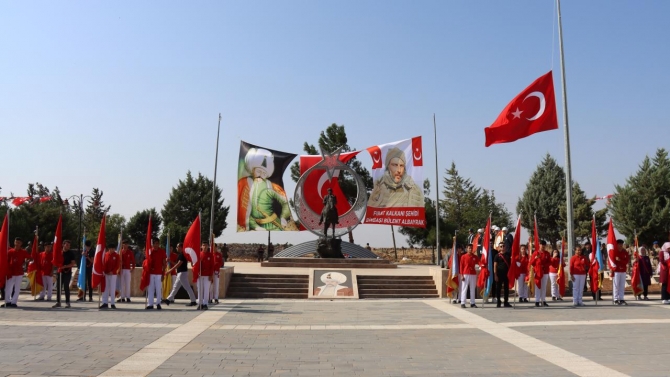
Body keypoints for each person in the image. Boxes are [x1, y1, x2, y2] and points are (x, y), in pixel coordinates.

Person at [237, 147, 295, 231]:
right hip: (254, 225)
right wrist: (255, 226)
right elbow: (245, 210)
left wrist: (283, 217)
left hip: (274, 224)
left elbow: (285, 202)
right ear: (253, 170)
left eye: (264, 173)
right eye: (258, 171)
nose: (260, 175)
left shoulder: (272, 187)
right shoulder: (244, 183)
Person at [3, 237, 31, 308]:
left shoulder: (23, 252)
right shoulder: (10, 251)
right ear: (14, 242)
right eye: (16, 242)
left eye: (18, 243)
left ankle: (14, 302)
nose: (17, 244)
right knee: (8, 288)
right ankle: (7, 301)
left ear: (21, 244)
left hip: (19, 272)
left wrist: (26, 262)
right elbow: (6, 261)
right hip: (11, 272)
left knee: (17, 288)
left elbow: (30, 257)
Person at [52, 240, 76, 308]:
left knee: (66, 287)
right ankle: (58, 302)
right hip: (60, 272)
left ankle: (67, 302)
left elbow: (73, 263)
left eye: (69, 245)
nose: (68, 246)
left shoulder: (71, 253)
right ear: (63, 245)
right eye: (67, 245)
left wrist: (65, 266)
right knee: (59, 287)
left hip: (67, 272)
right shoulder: (59, 253)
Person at [146, 237, 167, 310]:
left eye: (157, 244)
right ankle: (150, 304)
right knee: (151, 289)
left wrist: (163, 273)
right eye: (155, 244)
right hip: (151, 273)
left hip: (158, 273)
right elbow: (147, 262)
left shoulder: (162, 251)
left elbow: (164, 263)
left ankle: (158, 303)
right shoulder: (150, 251)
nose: (156, 245)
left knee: (158, 289)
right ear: (152, 244)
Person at [100, 243, 120, 309]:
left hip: (113, 274)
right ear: (109, 249)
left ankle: (112, 303)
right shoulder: (105, 254)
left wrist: (112, 271)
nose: (112, 250)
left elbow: (117, 265)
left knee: (112, 288)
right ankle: (105, 302)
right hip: (106, 274)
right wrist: (105, 271)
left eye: (113, 249)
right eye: (111, 248)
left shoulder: (116, 255)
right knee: (105, 288)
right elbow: (103, 263)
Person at [459, 243, 479, 308]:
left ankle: (472, 303)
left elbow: (480, 262)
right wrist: (461, 275)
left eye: (471, 248)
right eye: (469, 248)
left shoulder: (475, 257)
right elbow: (461, 266)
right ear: (467, 249)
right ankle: (463, 302)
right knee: (464, 288)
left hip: (473, 273)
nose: (470, 249)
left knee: (472, 288)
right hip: (465, 273)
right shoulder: (463, 257)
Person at [532, 240, 551, 307]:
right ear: (539, 245)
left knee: (543, 287)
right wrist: (535, 258)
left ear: (545, 246)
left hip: (545, 272)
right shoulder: (535, 253)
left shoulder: (547, 254)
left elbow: (549, 262)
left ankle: (543, 300)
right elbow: (532, 263)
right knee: (537, 286)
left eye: (543, 245)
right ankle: (537, 301)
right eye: (541, 245)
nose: (542, 246)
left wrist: (544, 265)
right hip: (537, 272)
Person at [611, 239, 630, 305]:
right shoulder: (614, 252)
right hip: (616, 270)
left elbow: (626, 261)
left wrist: (620, 260)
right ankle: (615, 299)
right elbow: (612, 261)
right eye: (619, 244)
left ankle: (621, 298)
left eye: (621, 244)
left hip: (623, 270)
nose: (620, 246)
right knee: (616, 285)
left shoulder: (625, 252)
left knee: (622, 285)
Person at [493, 242, 512, 308]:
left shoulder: (508, 255)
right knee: (498, 288)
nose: (502, 248)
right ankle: (498, 301)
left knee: (506, 289)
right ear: (499, 247)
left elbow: (510, 264)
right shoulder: (497, 256)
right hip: (499, 274)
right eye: (501, 246)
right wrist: (495, 275)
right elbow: (495, 265)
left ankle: (506, 302)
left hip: (506, 274)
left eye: (503, 246)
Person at [197, 242, 214, 310]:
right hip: (200, 275)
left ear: (208, 246)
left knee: (206, 290)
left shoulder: (210, 255)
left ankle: (205, 304)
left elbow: (212, 266)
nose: (205, 247)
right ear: (201, 246)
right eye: (203, 245)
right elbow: (195, 264)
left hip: (207, 275)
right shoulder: (199, 254)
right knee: (200, 290)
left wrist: (211, 275)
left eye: (206, 245)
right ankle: (200, 303)